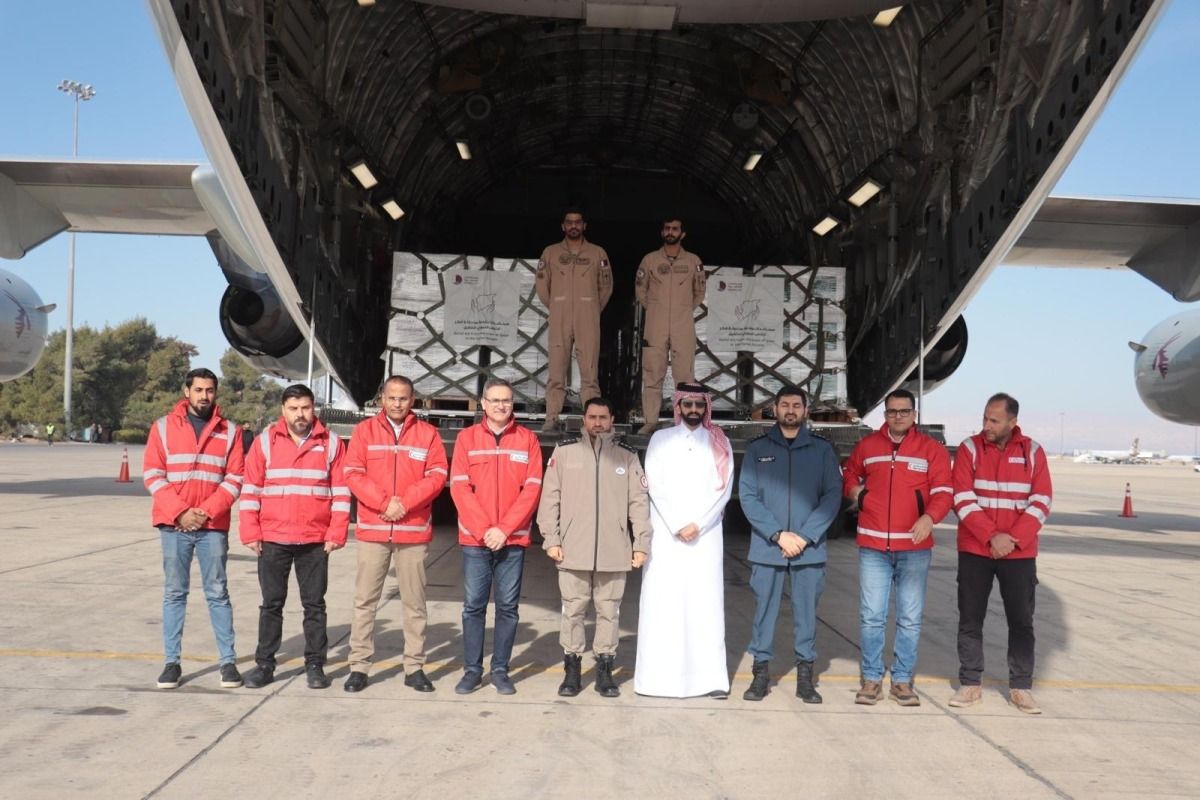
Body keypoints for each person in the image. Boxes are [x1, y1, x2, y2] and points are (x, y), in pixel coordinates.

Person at [842, 389, 953, 707]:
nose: (898, 416)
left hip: (914, 548)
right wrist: (858, 494)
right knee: (872, 617)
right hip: (874, 547)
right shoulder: (868, 446)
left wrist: (930, 517)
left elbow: (944, 491)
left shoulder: (931, 450)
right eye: (892, 411)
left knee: (909, 618)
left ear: (914, 414)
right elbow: (849, 474)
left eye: (904, 411)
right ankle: (872, 678)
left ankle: (902, 680)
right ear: (885, 414)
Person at [537, 397, 651, 698]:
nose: (597, 423)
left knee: (609, 613)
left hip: (614, 551)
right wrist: (551, 539)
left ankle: (604, 669)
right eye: (592, 417)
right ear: (583, 419)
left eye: (603, 417)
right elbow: (550, 499)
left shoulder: (626, 456)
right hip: (573, 550)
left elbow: (638, 503)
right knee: (573, 611)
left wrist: (641, 543)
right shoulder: (564, 453)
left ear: (612, 419)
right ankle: (572, 669)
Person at [239, 384, 350, 690]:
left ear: (314, 408)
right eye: (294, 408)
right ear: (283, 410)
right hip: (273, 538)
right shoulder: (264, 443)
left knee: (314, 606)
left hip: (314, 541)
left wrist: (336, 531)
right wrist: (250, 530)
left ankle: (315, 665)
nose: (300, 414)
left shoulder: (331, 444)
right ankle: (264, 665)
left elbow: (341, 492)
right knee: (271, 605)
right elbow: (251, 490)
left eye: (305, 408)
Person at [342, 375, 448, 693]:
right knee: (365, 601)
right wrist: (384, 503)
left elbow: (437, 475)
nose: (397, 404)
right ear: (382, 399)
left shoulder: (428, 434)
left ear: (412, 400)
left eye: (403, 398)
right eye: (392, 398)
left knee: (414, 603)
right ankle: (359, 666)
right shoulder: (364, 432)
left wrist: (405, 503)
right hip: (374, 529)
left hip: (412, 530)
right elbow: (353, 473)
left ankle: (414, 666)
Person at [949, 393, 1053, 714]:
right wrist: (991, 535)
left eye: (994, 420)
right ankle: (970, 684)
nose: (987, 425)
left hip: (1018, 554)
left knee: (1021, 621)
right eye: (984, 418)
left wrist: (1013, 539)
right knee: (970, 619)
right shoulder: (969, 448)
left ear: (1012, 422)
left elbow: (1042, 501)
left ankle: (1020, 687)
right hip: (976, 550)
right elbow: (962, 497)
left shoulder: (1033, 452)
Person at [142, 367, 245, 690]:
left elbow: (235, 478)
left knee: (218, 593)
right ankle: (172, 663)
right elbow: (152, 475)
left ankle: (228, 664)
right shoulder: (162, 427)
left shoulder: (230, 431)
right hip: (174, 526)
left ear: (216, 393)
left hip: (213, 526)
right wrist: (181, 513)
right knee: (175, 593)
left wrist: (206, 512)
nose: (204, 396)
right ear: (187, 392)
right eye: (198, 390)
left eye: (210, 390)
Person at [738, 386, 842, 704]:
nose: (791, 410)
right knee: (763, 613)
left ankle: (805, 679)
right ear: (775, 409)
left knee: (806, 614)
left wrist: (804, 536)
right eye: (785, 405)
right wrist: (777, 534)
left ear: (806, 410)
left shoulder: (823, 450)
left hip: (808, 549)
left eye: (797, 405)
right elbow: (748, 496)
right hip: (769, 547)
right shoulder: (758, 450)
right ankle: (760, 676)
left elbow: (832, 495)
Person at [634, 383, 734, 698]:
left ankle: (708, 681)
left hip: (706, 539)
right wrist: (678, 524)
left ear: (706, 408)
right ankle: (656, 681)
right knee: (663, 604)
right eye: (687, 404)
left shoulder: (720, 442)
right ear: (678, 407)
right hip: (667, 537)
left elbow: (725, 489)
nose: (693, 410)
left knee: (705, 606)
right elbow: (654, 485)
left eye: (698, 405)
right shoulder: (659, 440)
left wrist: (698, 525)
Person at [449, 378, 544, 695]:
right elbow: (460, 487)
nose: (502, 405)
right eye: (495, 400)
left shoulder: (527, 440)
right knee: (473, 607)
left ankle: (500, 670)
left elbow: (532, 490)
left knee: (508, 608)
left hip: (512, 540)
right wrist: (484, 530)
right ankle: (472, 671)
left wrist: (504, 529)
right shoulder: (466, 439)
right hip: (476, 541)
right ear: (483, 403)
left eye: (507, 400)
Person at [534, 208, 614, 433]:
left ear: (584, 225)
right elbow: (542, 285)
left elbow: (606, 286)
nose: (573, 226)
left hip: (587, 317)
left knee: (589, 371)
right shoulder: (550, 253)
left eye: (578, 222)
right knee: (556, 368)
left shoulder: (597, 253)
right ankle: (551, 417)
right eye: (569, 222)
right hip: (560, 316)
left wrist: (591, 308)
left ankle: (594, 420)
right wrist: (557, 306)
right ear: (563, 226)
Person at [635, 217, 706, 435]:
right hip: (655, 325)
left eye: (675, 229)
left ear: (682, 234)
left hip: (682, 324)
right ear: (662, 232)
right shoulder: (650, 260)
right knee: (652, 373)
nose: (670, 232)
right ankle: (650, 421)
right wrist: (657, 308)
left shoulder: (693, 261)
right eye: (667, 228)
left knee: (684, 376)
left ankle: (682, 423)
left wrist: (680, 309)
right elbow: (641, 291)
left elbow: (699, 293)